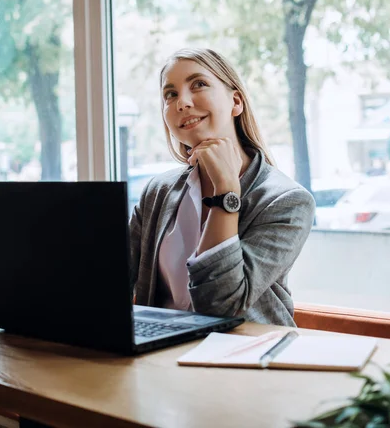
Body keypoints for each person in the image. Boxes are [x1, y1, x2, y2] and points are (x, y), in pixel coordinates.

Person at [129, 48, 315, 326]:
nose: (182, 103)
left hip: (244, 357)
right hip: (161, 354)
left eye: (198, 84)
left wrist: (226, 193)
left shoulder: (287, 201)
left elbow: (220, 306)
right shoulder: (158, 191)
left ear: (235, 101)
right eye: (171, 94)